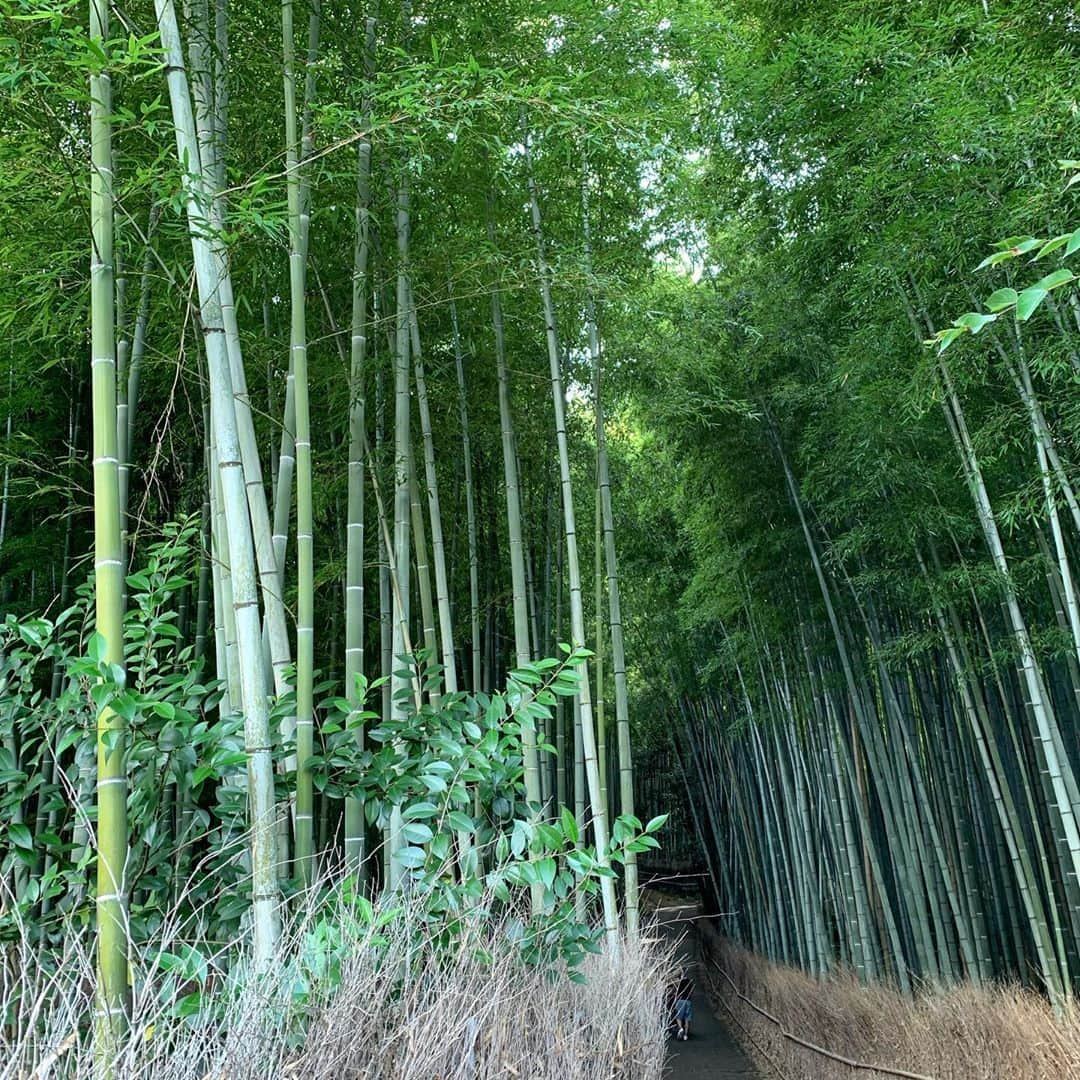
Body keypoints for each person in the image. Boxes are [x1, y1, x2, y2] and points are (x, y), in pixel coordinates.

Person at [673, 968, 694, 1041]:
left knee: (678, 1017)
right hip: (688, 1001)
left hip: (680, 1001)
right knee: (687, 1019)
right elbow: (691, 992)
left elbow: (675, 991)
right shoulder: (690, 982)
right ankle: (685, 1035)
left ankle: (680, 1028)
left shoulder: (679, 982)